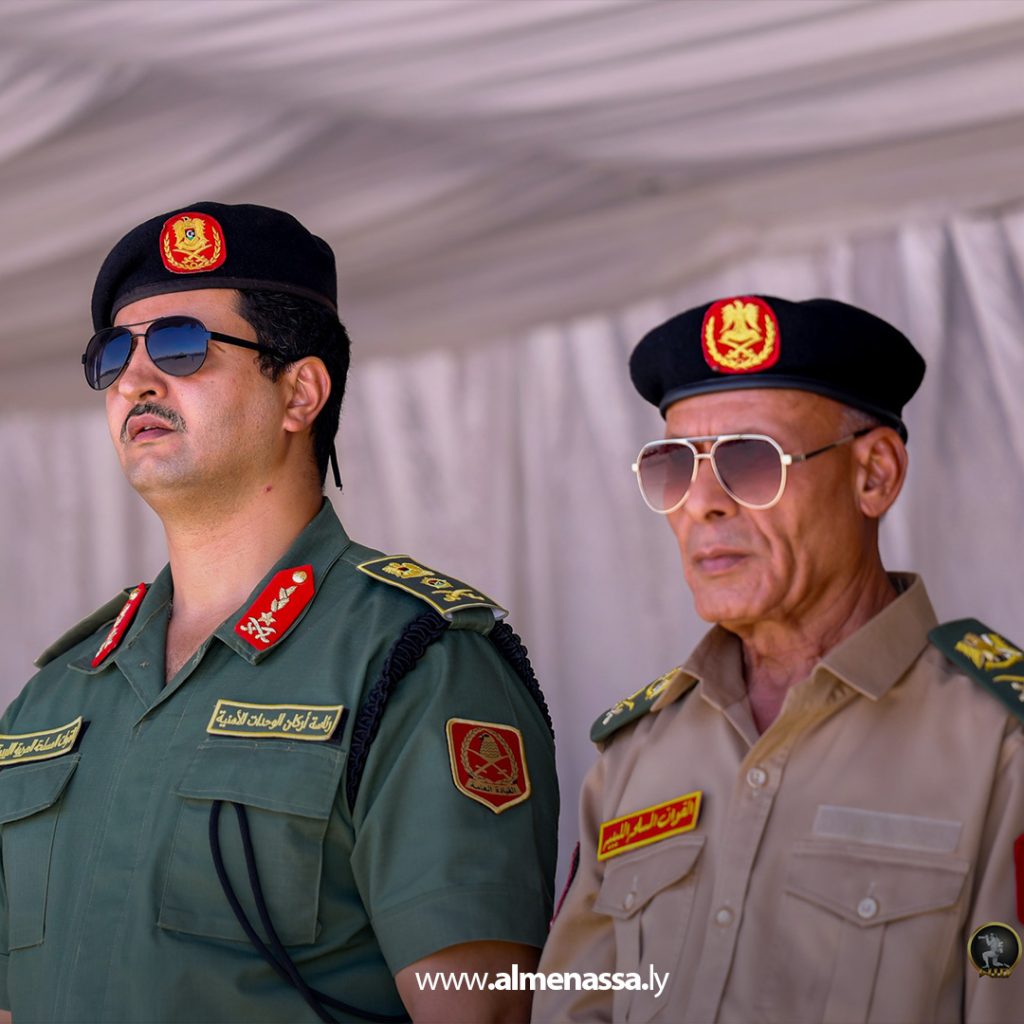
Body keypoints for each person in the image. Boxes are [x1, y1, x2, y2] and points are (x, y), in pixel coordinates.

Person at [0, 202, 558, 1023]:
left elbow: (479, 1012)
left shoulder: (415, 659)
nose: (135, 380)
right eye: (114, 353)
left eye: (182, 347)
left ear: (300, 392)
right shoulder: (56, 695)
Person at [534, 295, 1023, 1023]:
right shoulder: (636, 755)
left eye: (750, 461)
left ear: (874, 475)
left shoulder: (999, 746)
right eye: (674, 467)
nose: (701, 503)